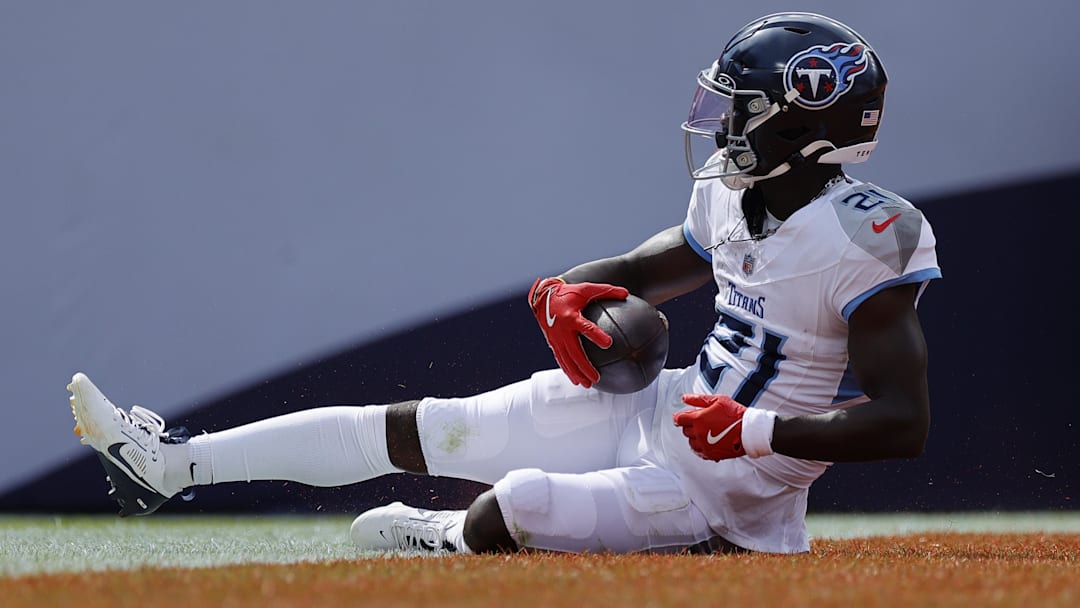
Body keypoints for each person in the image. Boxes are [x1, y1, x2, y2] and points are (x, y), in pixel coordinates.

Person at [67, 12, 940, 555]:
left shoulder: (867, 234)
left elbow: (904, 424)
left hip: (736, 486)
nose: (718, 130)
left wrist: (752, 431)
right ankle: (173, 464)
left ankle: (454, 541)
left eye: (740, 110)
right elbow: (645, 270)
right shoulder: (729, 192)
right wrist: (568, 290)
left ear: (803, 123)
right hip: (677, 407)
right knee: (435, 428)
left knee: (512, 504)